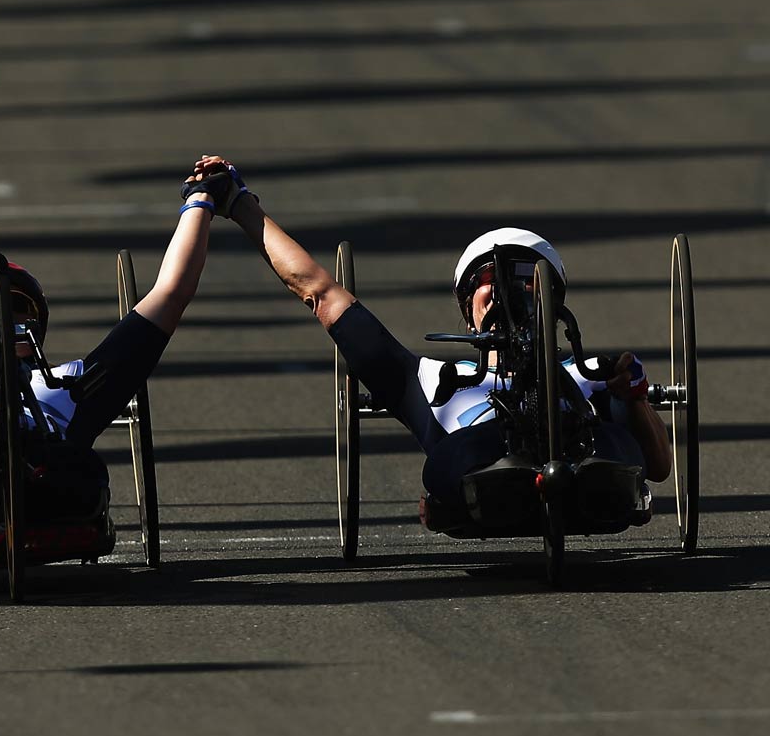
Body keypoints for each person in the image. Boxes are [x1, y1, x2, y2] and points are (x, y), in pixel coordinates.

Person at [186, 155, 672, 530]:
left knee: (612, 443)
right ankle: (503, 480)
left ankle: (573, 479)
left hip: (590, 461)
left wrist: (634, 398)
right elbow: (321, 292)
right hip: (475, 465)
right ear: (467, 306)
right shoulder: (431, 378)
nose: (509, 293)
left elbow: (658, 467)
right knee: (450, 463)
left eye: (527, 281)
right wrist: (240, 204)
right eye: (492, 281)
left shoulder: (595, 371)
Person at [0, 164, 233, 564]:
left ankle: (21, 455)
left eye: (17, 312)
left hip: (56, 484)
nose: (3, 323)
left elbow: (169, 296)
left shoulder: (71, 381)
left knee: (80, 471)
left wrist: (200, 200)